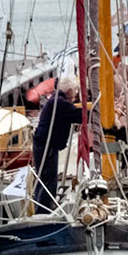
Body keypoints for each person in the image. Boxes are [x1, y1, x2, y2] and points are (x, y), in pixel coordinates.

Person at [28, 76, 83, 212]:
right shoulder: (60, 103)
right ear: (70, 90)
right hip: (46, 146)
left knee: (47, 178)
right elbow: (78, 115)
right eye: (75, 92)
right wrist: (97, 111)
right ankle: (43, 211)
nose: (76, 95)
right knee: (48, 180)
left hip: (45, 144)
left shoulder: (56, 99)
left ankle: (42, 208)